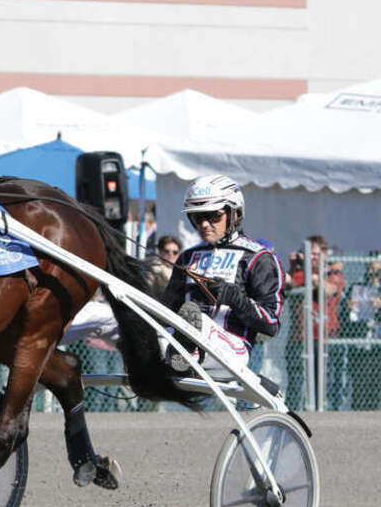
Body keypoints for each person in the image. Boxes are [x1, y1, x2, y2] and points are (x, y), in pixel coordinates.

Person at [163, 175, 284, 380]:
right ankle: (183, 350)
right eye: (197, 217)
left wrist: (236, 298)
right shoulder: (187, 258)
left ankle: (187, 349)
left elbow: (271, 324)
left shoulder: (258, 258)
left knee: (197, 319)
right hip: (183, 341)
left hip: (232, 350)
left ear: (235, 214)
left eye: (213, 216)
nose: (204, 224)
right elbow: (167, 309)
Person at [284, 235, 344, 410]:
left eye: (316, 254)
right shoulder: (299, 273)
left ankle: (330, 414)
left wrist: (317, 277)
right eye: (309, 254)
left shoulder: (333, 273)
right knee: (296, 381)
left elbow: (330, 289)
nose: (312, 258)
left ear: (324, 255)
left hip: (326, 337)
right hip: (299, 337)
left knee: (327, 382)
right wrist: (294, 265)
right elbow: (289, 285)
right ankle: (295, 414)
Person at [344, 254, 381, 410]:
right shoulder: (357, 287)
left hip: (377, 342)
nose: (374, 273)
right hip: (360, 341)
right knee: (360, 380)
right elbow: (346, 316)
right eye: (371, 269)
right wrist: (348, 308)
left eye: (377, 270)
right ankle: (359, 411)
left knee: (375, 380)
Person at [144, 234, 181, 299]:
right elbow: (146, 290)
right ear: (160, 252)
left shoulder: (182, 270)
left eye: (175, 252)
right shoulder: (154, 268)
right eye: (166, 251)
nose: (171, 255)